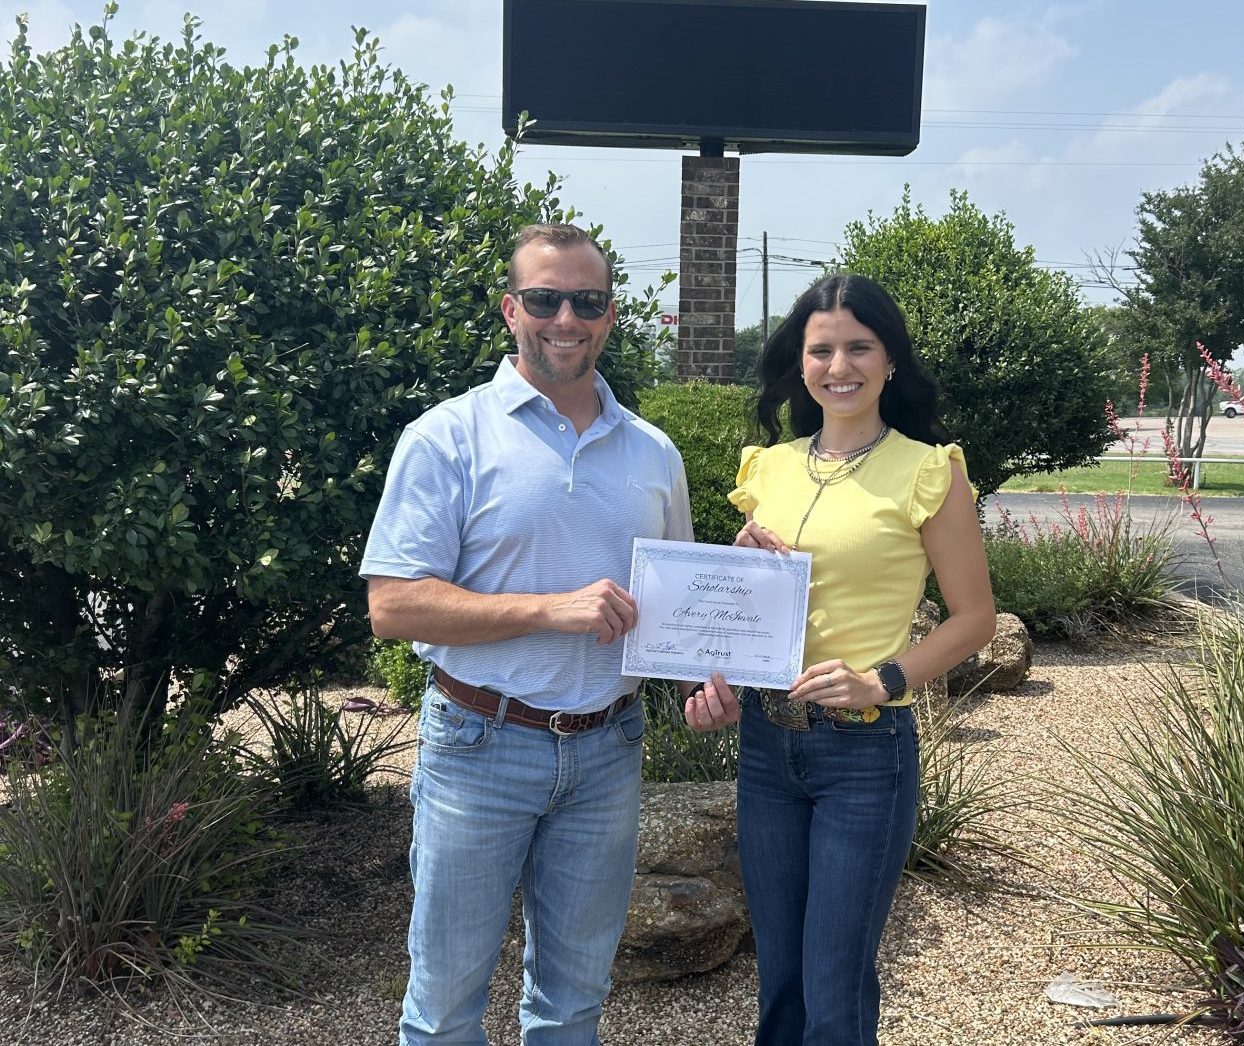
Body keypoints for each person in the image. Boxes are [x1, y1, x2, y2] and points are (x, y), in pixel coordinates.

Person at [361, 223, 705, 1045]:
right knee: (444, 1009)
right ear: (511, 310)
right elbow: (393, 606)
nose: (566, 318)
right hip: (481, 743)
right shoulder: (447, 436)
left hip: (608, 748)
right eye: (546, 299)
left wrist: (710, 676)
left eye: (586, 301)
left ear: (611, 315)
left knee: (574, 1004)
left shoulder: (654, 453)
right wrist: (551, 608)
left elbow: (680, 607)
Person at [684, 273, 997, 1046]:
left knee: (833, 987)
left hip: (864, 751)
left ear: (890, 360)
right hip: (765, 745)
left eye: (859, 346)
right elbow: (752, 611)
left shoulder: (930, 470)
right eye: (820, 349)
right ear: (800, 363)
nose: (839, 365)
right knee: (780, 982)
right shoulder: (770, 469)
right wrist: (714, 676)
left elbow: (976, 619)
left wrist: (883, 679)